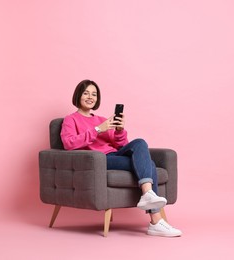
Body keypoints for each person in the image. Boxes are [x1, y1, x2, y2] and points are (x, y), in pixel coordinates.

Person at [60, 79, 182, 237]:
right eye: (86, 93)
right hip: (99, 159)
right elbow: (68, 143)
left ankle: (148, 196)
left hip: (114, 154)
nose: (90, 97)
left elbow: (121, 144)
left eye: (94, 94)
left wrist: (119, 130)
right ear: (78, 95)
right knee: (149, 164)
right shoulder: (71, 120)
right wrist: (97, 130)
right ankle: (155, 221)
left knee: (139, 143)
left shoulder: (102, 119)